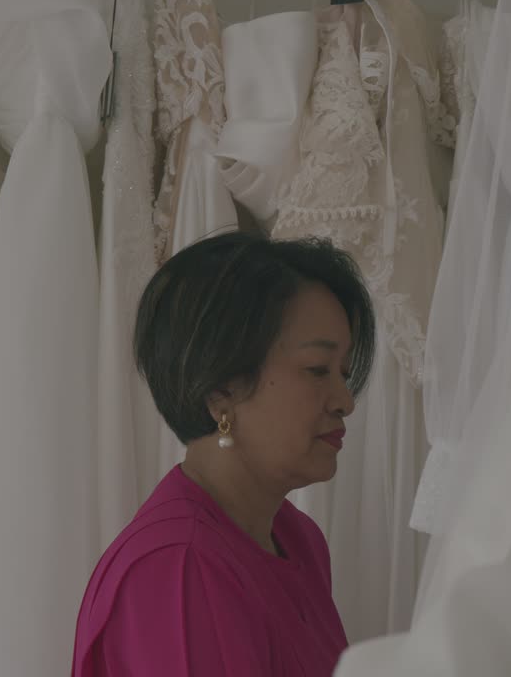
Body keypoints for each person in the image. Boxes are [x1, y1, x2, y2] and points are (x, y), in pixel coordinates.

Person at [72, 231, 376, 676]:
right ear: (220, 392)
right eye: (317, 370)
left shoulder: (297, 539)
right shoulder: (178, 568)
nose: (344, 400)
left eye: (343, 373)